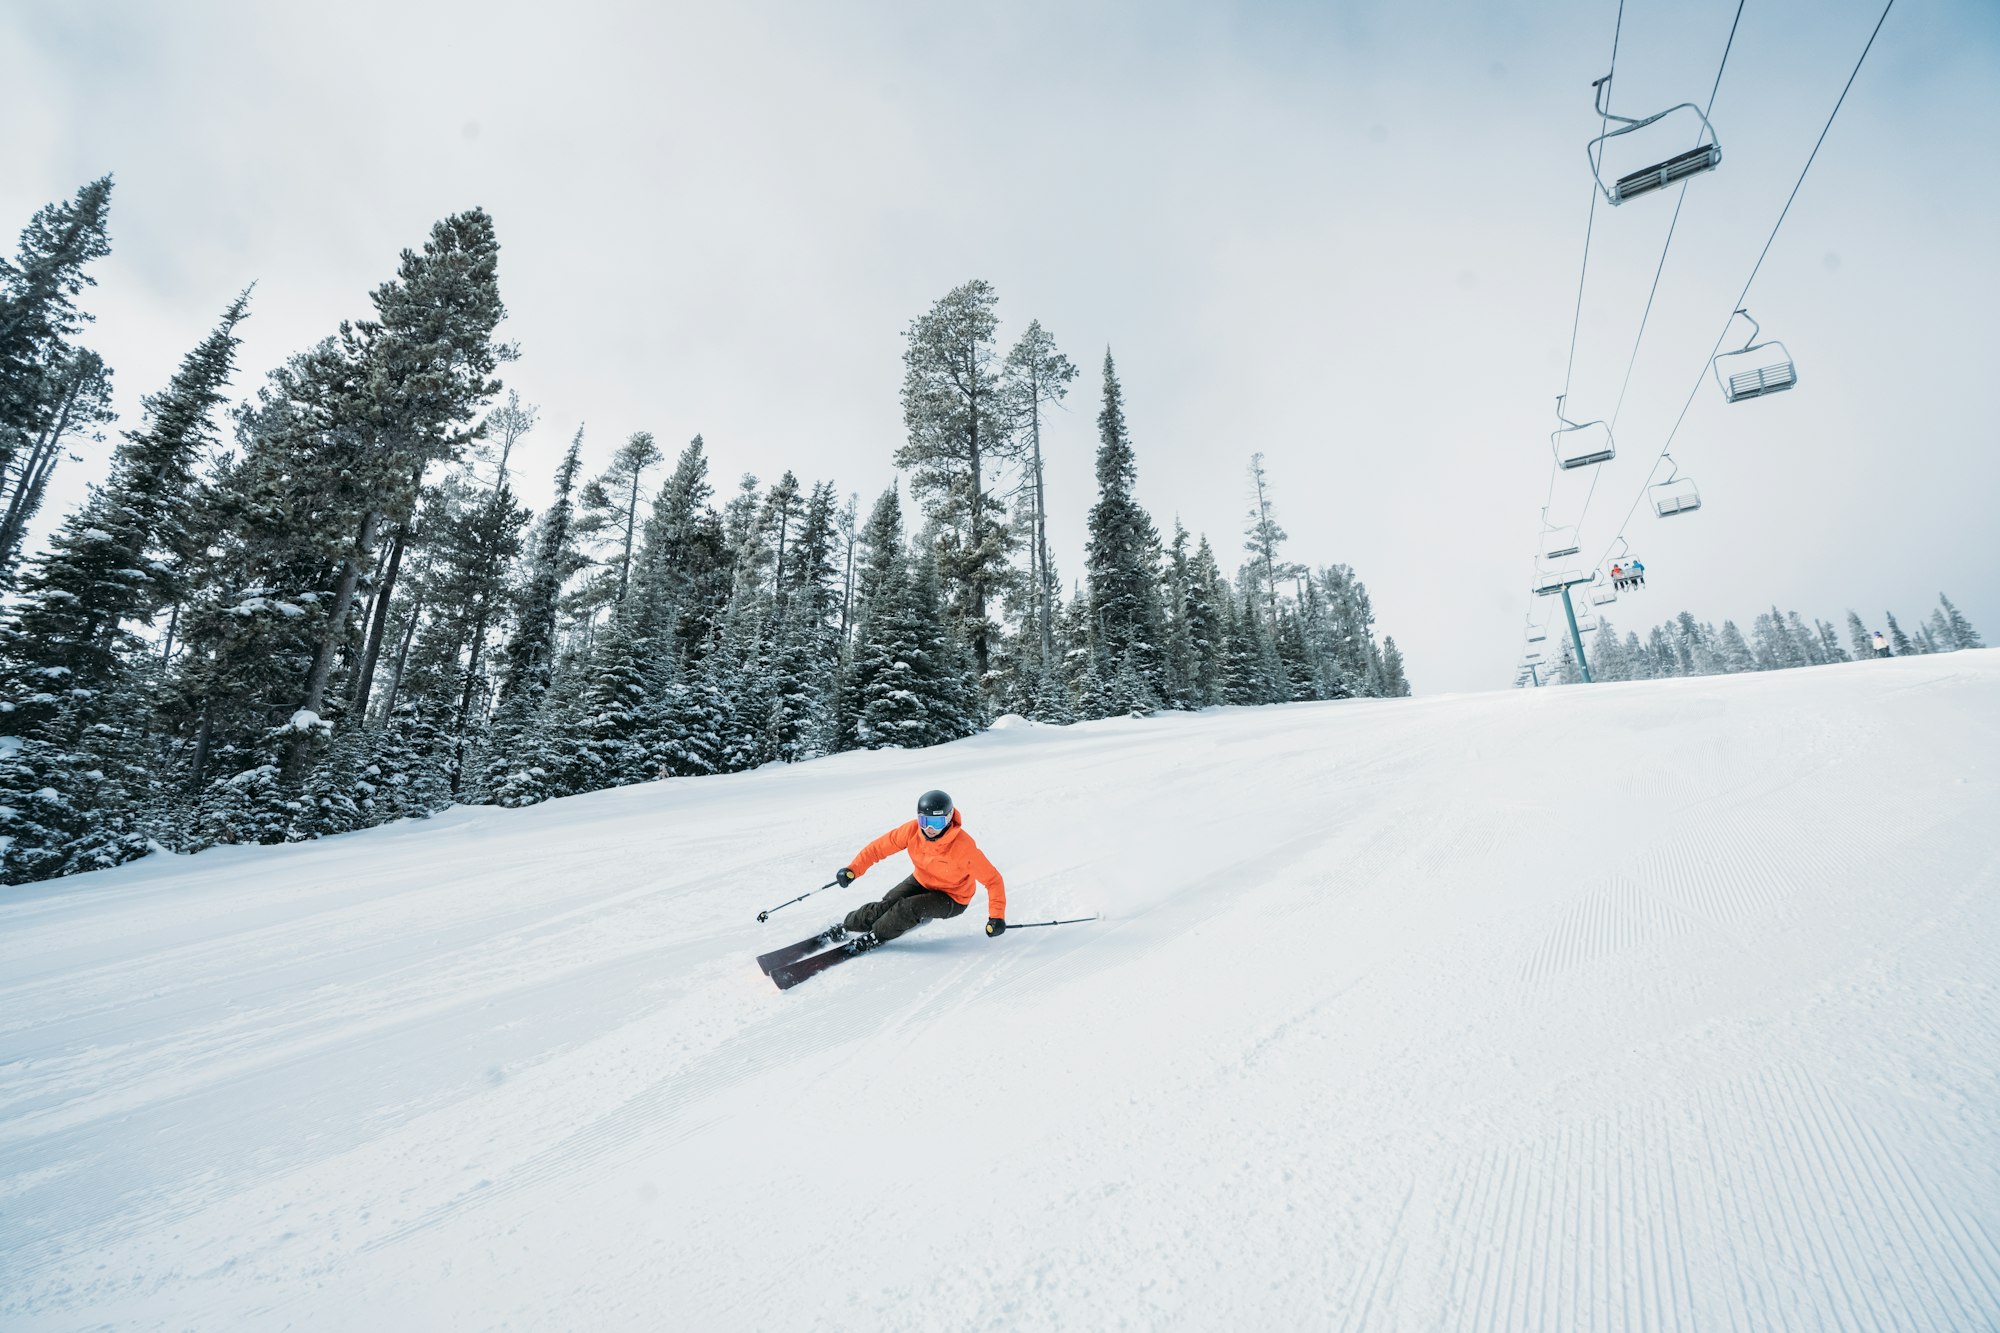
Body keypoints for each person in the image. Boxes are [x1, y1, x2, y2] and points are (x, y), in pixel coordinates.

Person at [834, 789, 1007, 952]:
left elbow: (993, 881)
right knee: (887, 904)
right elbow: (879, 848)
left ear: (948, 819)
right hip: (922, 880)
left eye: (936, 822)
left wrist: (996, 917)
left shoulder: (963, 848)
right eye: (925, 821)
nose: (930, 828)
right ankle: (847, 926)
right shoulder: (912, 831)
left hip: (952, 897)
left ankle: (875, 936)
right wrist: (853, 869)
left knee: (906, 908)